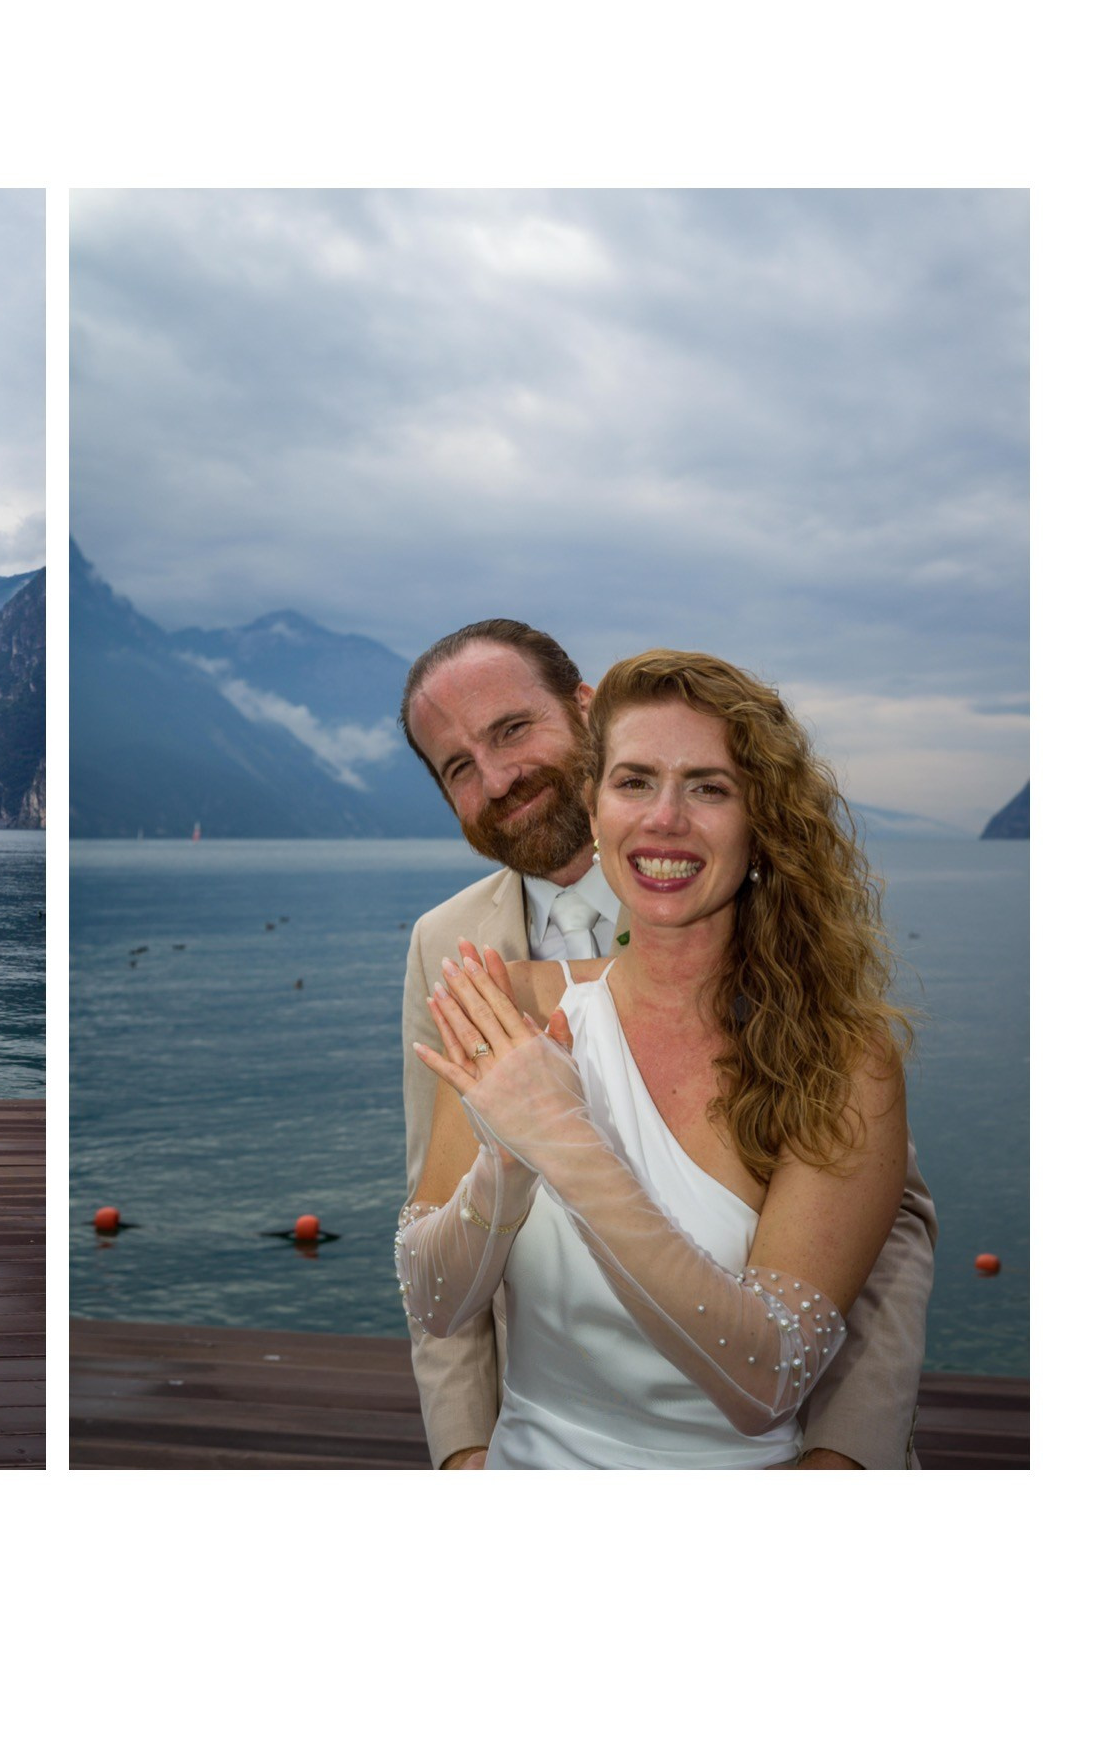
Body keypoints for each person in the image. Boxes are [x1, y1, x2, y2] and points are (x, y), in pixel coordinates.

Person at [398, 627, 934, 1469]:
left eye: (510, 731)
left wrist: (844, 1461)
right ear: (601, 794)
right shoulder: (476, 971)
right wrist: (465, 1455)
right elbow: (434, 1287)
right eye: (459, 767)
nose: (663, 818)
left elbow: (881, 1241)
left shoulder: (836, 1050)